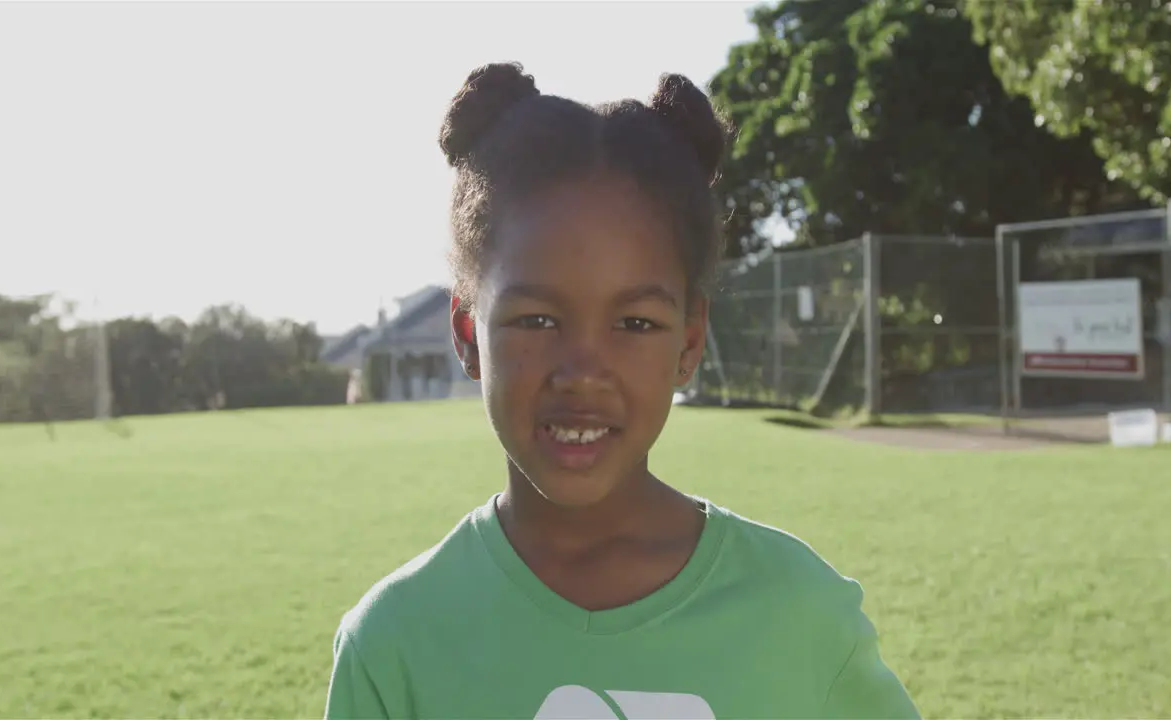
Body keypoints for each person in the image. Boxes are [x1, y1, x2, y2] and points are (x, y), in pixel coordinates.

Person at [324, 62, 920, 720]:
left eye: (635, 323)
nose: (583, 370)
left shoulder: (800, 612)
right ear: (468, 332)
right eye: (537, 320)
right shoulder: (395, 643)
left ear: (689, 343)